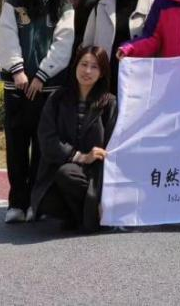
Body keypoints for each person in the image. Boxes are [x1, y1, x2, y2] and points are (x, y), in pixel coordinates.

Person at [0, 0, 75, 223]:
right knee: (17, 144)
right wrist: (17, 71)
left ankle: (36, 204)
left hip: (47, 86)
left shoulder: (63, 2)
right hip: (17, 85)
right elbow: (6, 35)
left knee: (43, 147)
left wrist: (42, 75)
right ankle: (17, 203)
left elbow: (63, 42)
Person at [32, 46, 118, 232]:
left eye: (94, 67)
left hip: (94, 173)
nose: (87, 71)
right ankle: (84, 216)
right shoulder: (57, 98)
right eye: (83, 64)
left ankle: (86, 216)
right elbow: (47, 139)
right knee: (46, 198)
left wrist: (94, 158)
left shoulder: (109, 103)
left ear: (102, 73)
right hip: (61, 165)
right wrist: (80, 156)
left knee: (67, 174)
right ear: (75, 66)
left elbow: (113, 145)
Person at [81, 0, 154, 95]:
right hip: (106, 73)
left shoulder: (152, 4)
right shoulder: (101, 6)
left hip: (139, 74)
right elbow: (88, 43)